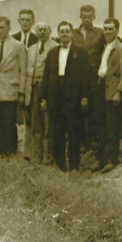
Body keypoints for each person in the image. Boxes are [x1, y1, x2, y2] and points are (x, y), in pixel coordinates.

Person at [39, 20, 91, 172]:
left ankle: (74, 166)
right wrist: (43, 98)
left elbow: (87, 77)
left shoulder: (81, 53)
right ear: (58, 34)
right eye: (61, 31)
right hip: (56, 98)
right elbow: (46, 76)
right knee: (57, 134)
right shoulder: (52, 53)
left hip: (73, 99)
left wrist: (85, 97)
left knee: (74, 133)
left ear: (72, 34)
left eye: (67, 31)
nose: (64, 34)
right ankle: (60, 166)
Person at [92, 18, 122, 174]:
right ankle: (101, 160)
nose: (107, 32)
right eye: (106, 29)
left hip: (113, 92)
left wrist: (119, 92)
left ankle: (111, 160)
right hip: (102, 88)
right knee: (101, 126)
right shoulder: (105, 47)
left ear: (117, 30)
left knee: (112, 127)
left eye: (111, 29)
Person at [0, 15, 27, 156]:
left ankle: (11, 150)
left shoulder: (18, 46)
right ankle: (0, 149)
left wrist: (21, 91)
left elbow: (22, 69)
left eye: (2, 27)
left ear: (9, 27)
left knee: (8, 122)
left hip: (10, 89)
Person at [73, 4, 106, 152]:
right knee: (78, 109)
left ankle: (94, 141)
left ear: (94, 17)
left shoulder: (100, 33)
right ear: (80, 17)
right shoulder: (73, 33)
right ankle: (81, 142)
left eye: (89, 16)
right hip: (77, 77)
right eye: (84, 16)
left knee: (94, 108)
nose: (86, 19)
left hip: (94, 77)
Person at [24, 21, 56, 164]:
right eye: (39, 30)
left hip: (48, 89)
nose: (42, 32)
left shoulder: (55, 47)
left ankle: (48, 156)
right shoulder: (32, 49)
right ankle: (36, 156)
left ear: (49, 31)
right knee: (36, 123)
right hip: (34, 88)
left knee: (48, 123)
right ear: (36, 32)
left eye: (45, 29)